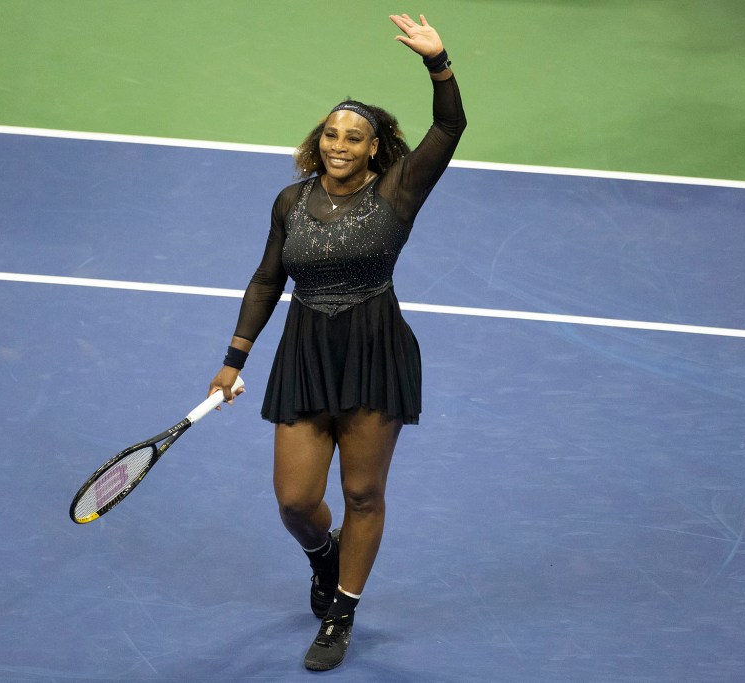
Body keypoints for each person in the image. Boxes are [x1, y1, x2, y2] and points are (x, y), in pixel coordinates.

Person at [207, 12, 466, 671]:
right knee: (296, 501)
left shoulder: (398, 191)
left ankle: (341, 612)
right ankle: (324, 556)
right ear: (318, 139)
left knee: (362, 494)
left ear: (376, 147)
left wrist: (439, 63)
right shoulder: (291, 202)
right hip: (305, 354)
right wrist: (230, 363)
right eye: (331, 133)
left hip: (375, 351)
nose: (340, 144)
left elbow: (450, 126)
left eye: (354, 136)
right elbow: (267, 279)